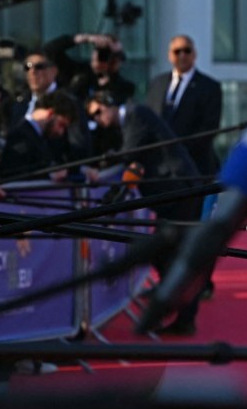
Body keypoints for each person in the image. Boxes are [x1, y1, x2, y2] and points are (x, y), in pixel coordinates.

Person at [85, 92, 204, 336]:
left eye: (98, 112)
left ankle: (183, 316)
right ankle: (180, 312)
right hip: (172, 193)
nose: (98, 120)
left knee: (174, 254)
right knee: (166, 253)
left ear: (109, 104)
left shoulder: (135, 114)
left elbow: (129, 153)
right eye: (93, 117)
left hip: (179, 190)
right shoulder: (129, 120)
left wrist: (99, 166)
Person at [146, 35, 223, 176]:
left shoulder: (209, 86)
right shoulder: (157, 84)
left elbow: (210, 127)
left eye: (187, 51)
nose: (182, 56)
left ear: (194, 54)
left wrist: (179, 150)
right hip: (160, 168)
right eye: (177, 51)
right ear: (170, 55)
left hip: (194, 166)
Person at [0, 91, 79, 180]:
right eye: (61, 125)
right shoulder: (20, 136)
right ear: (50, 113)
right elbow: (13, 173)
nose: (61, 132)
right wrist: (49, 176)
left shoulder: (44, 139)